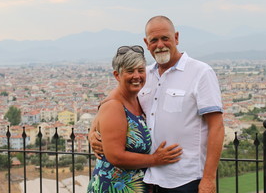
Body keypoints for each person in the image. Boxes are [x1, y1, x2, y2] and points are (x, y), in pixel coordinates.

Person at [90, 16, 224, 193]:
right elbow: (112, 103)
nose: (160, 44)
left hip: (185, 178)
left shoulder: (200, 72)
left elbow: (217, 126)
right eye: (154, 40)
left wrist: (208, 179)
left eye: (165, 38)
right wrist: (93, 131)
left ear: (176, 38)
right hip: (150, 179)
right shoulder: (144, 75)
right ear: (147, 43)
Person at [87, 45, 182, 193]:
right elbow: (115, 157)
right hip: (113, 187)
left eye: (141, 70)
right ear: (117, 75)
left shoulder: (136, 98)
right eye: (130, 71)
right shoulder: (114, 105)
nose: (136, 76)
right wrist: (156, 160)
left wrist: (92, 131)